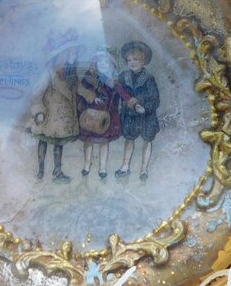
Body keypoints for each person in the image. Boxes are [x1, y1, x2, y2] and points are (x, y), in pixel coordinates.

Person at [28, 29, 81, 182]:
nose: (74, 56)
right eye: (71, 52)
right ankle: (40, 170)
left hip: (62, 118)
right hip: (47, 117)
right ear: (61, 55)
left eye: (75, 53)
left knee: (59, 143)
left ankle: (57, 171)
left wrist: (90, 95)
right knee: (43, 140)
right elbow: (36, 93)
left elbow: (78, 89)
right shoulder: (49, 73)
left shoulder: (71, 74)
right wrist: (39, 110)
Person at [77, 50, 133, 179]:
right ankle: (86, 165)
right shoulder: (90, 77)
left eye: (106, 62)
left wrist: (131, 101)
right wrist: (91, 97)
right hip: (91, 115)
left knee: (104, 142)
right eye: (100, 61)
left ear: (111, 65)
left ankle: (102, 168)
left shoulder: (114, 81)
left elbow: (123, 93)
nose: (102, 64)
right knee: (88, 141)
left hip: (107, 116)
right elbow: (81, 90)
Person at [115, 41, 160, 181]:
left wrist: (143, 106)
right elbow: (118, 92)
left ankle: (144, 169)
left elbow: (155, 99)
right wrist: (125, 103)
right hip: (130, 116)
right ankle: (125, 166)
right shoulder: (123, 77)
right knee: (129, 139)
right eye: (129, 60)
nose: (132, 62)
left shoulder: (149, 79)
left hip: (146, 116)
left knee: (147, 140)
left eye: (135, 59)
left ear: (143, 61)